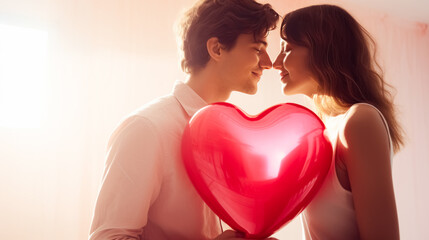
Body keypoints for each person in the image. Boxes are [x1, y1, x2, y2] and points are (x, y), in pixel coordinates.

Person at [88, 0, 279, 239]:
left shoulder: (232, 136)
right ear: (217, 49)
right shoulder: (147, 129)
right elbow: (108, 237)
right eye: (257, 48)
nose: (268, 63)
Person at [273, 4, 404, 240]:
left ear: (323, 50)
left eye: (288, 48)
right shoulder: (323, 130)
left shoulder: (359, 121)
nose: (275, 62)